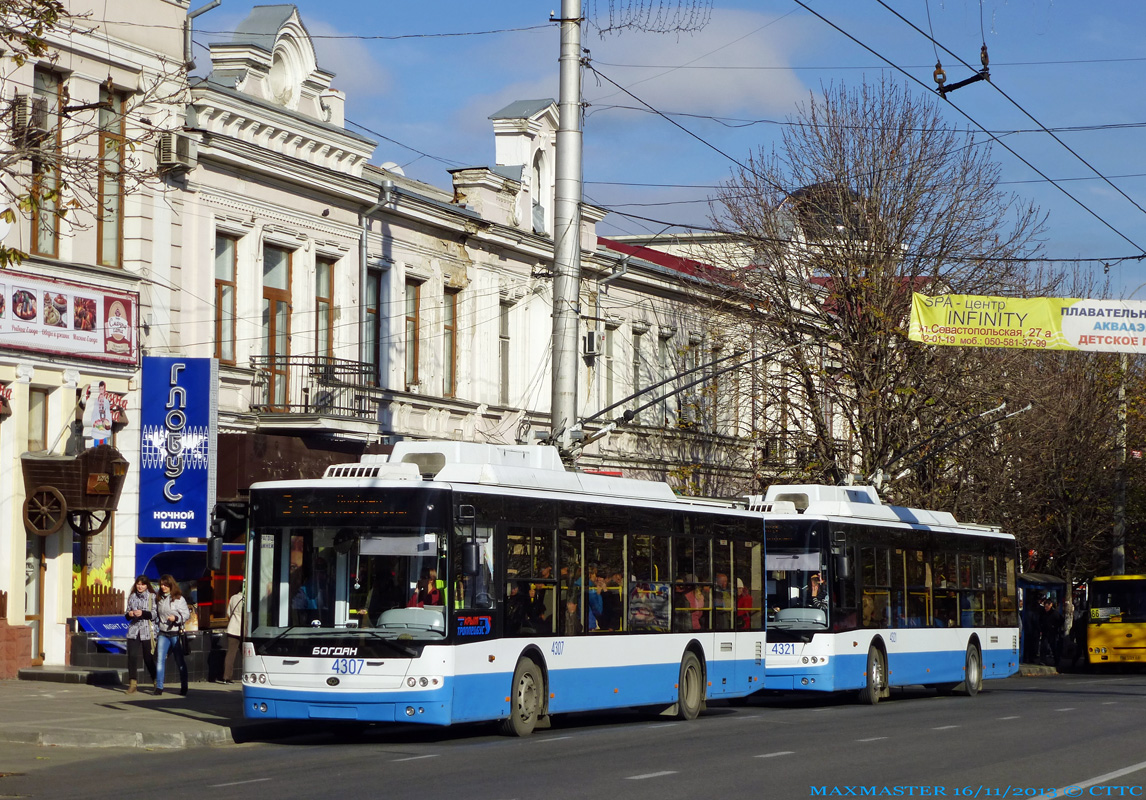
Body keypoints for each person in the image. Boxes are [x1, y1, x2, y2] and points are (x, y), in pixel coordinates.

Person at [155, 574, 190, 696]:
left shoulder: (179, 599)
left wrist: (176, 617)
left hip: (175, 633)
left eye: (166, 585)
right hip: (163, 632)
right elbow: (156, 615)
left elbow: (186, 615)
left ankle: (184, 686)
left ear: (171, 585)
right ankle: (159, 687)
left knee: (179, 661)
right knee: (160, 659)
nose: (163, 587)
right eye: (162, 585)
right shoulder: (159, 598)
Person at [123, 575, 157, 694]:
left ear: (147, 585)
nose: (140, 586)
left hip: (147, 630)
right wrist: (130, 614)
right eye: (138, 584)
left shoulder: (152, 597)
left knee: (148, 658)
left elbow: (154, 614)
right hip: (134, 630)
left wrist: (142, 613)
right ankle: (133, 683)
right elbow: (126, 614)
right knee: (132, 656)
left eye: (143, 584)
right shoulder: (132, 596)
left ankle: (156, 681)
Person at [222, 583, 244, 685]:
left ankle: (227, 677)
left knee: (230, 654)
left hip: (232, 628)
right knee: (246, 655)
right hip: (244, 630)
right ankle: (246, 675)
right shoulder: (247, 599)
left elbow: (229, 613)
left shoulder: (233, 597)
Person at [1039, 595, 1063, 667]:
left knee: (1054, 648)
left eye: (1047, 606)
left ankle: (1057, 661)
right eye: (1045, 607)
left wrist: (1055, 627)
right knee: (1043, 647)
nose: (1046, 608)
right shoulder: (1043, 613)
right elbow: (1040, 621)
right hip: (1045, 632)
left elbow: (1061, 621)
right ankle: (1043, 660)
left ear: (1050, 605)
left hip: (1052, 633)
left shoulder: (1055, 613)